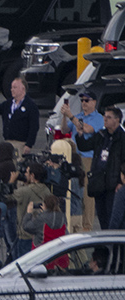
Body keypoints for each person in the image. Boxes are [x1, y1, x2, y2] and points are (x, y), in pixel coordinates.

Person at [79, 105, 125, 230]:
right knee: (102, 219)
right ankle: (105, 247)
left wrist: (121, 182)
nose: (105, 119)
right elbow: (84, 146)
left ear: (117, 120)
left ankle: (115, 247)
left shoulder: (122, 138)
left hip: (113, 185)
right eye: (105, 116)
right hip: (99, 183)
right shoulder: (100, 135)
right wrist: (80, 135)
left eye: (109, 117)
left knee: (113, 219)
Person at [62, 91, 103, 230]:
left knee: (87, 193)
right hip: (74, 157)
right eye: (82, 100)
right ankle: (73, 220)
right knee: (73, 189)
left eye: (87, 100)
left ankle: (87, 225)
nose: (84, 103)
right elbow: (65, 129)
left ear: (94, 102)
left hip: (88, 158)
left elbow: (87, 129)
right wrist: (64, 116)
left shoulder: (98, 118)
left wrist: (71, 115)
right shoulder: (78, 116)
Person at [0, 77, 39, 153]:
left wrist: (29, 144)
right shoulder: (8, 103)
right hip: (7, 142)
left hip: (21, 144)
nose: (12, 89)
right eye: (11, 87)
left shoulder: (31, 106)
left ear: (23, 89)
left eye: (15, 87)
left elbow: (34, 127)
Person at [11, 163, 52, 260]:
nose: (24, 174)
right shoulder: (47, 190)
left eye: (27, 172)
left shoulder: (24, 191)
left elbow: (8, 197)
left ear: (32, 175)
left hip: (25, 236)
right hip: (41, 235)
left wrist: (11, 181)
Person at [20, 194, 68, 270]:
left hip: (43, 257)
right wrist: (44, 213)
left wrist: (29, 212)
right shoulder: (62, 217)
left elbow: (26, 226)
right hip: (59, 256)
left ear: (45, 205)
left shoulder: (41, 219)